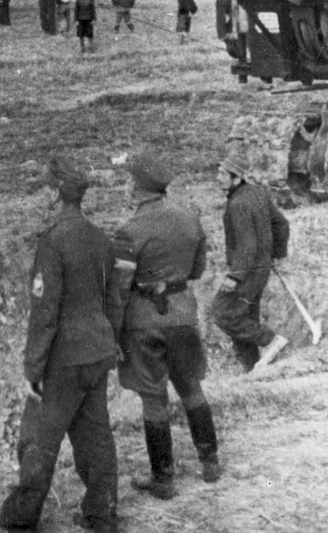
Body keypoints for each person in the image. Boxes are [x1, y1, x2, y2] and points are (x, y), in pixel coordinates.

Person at [0, 156, 119, 533]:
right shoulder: (101, 238)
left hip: (62, 361)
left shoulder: (52, 243)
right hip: (97, 353)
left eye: (46, 188)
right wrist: (107, 343)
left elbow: (44, 311)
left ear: (55, 194)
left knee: (37, 440)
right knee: (95, 437)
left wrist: (33, 369)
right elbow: (113, 300)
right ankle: (102, 515)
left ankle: (19, 521)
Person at [112, 151, 220, 500]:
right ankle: (210, 462)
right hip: (183, 314)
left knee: (153, 399)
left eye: (129, 181)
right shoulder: (190, 219)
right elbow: (198, 270)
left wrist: (113, 333)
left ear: (137, 188)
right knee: (191, 388)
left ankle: (164, 479)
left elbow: (119, 289)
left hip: (144, 320)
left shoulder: (129, 231)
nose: (127, 186)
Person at [212, 152, 290, 372]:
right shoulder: (259, 194)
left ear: (237, 178)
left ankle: (271, 340)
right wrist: (276, 254)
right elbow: (281, 224)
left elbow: (247, 245)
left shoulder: (237, 204)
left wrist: (234, 276)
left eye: (222, 174)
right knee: (245, 319)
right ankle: (253, 368)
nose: (218, 178)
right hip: (259, 269)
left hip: (246, 273)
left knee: (222, 313)